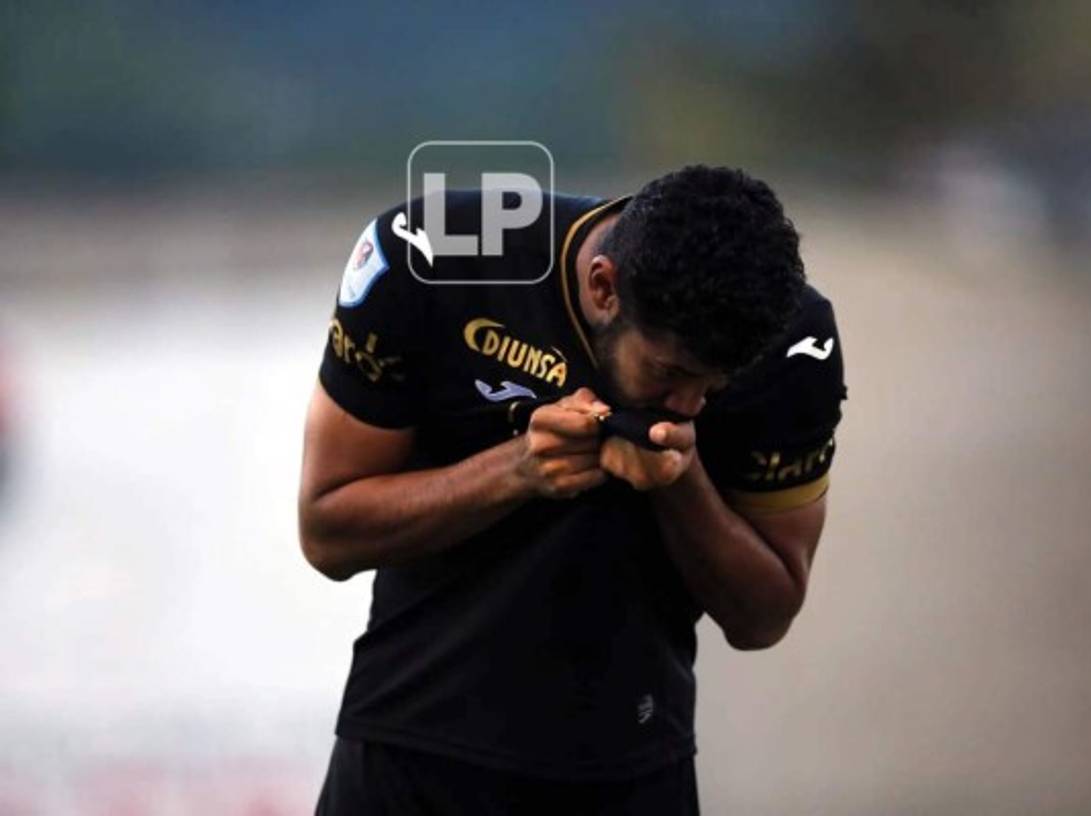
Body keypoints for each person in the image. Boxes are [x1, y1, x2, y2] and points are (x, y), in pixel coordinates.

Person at [299, 165, 847, 814]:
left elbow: (764, 616)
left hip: (633, 768)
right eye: (671, 372)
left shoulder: (795, 339)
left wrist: (680, 481)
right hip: (408, 750)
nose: (691, 404)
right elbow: (327, 532)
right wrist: (518, 470)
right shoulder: (430, 251)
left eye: (715, 385)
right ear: (603, 288)